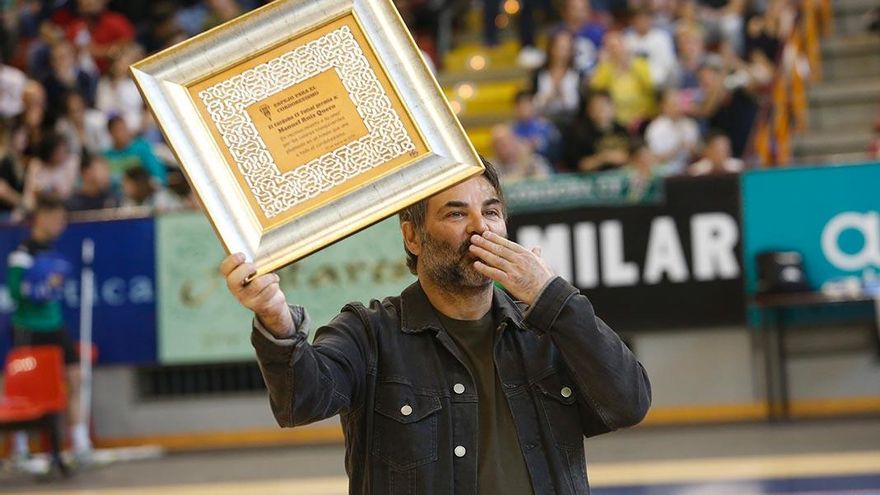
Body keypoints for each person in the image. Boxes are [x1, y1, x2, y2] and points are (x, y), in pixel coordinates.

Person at [221, 161, 651, 494]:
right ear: (413, 236)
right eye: (456, 213)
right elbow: (300, 400)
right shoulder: (370, 333)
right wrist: (275, 318)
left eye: (492, 211)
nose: (481, 227)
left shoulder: (545, 327)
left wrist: (550, 295)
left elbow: (628, 403)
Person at [6, 196, 93, 466]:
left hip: (55, 326)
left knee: (76, 377)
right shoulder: (22, 254)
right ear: (41, 219)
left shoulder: (53, 252)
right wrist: (40, 288)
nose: (60, 225)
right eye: (56, 219)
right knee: (24, 386)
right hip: (28, 328)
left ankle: (79, 442)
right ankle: (19, 448)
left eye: (63, 220)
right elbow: (16, 293)